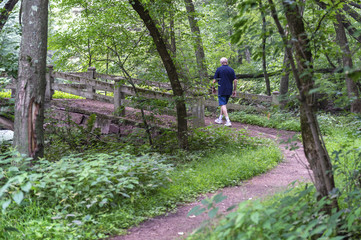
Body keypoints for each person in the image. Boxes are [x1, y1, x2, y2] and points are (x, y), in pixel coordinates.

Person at [213, 57, 237, 127]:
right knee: (223, 104)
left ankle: (228, 121)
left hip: (222, 89)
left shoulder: (219, 69)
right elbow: (235, 81)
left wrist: (213, 88)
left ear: (221, 63)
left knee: (223, 105)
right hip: (229, 89)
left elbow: (214, 80)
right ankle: (220, 119)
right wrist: (234, 90)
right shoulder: (231, 70)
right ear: (227, 62)